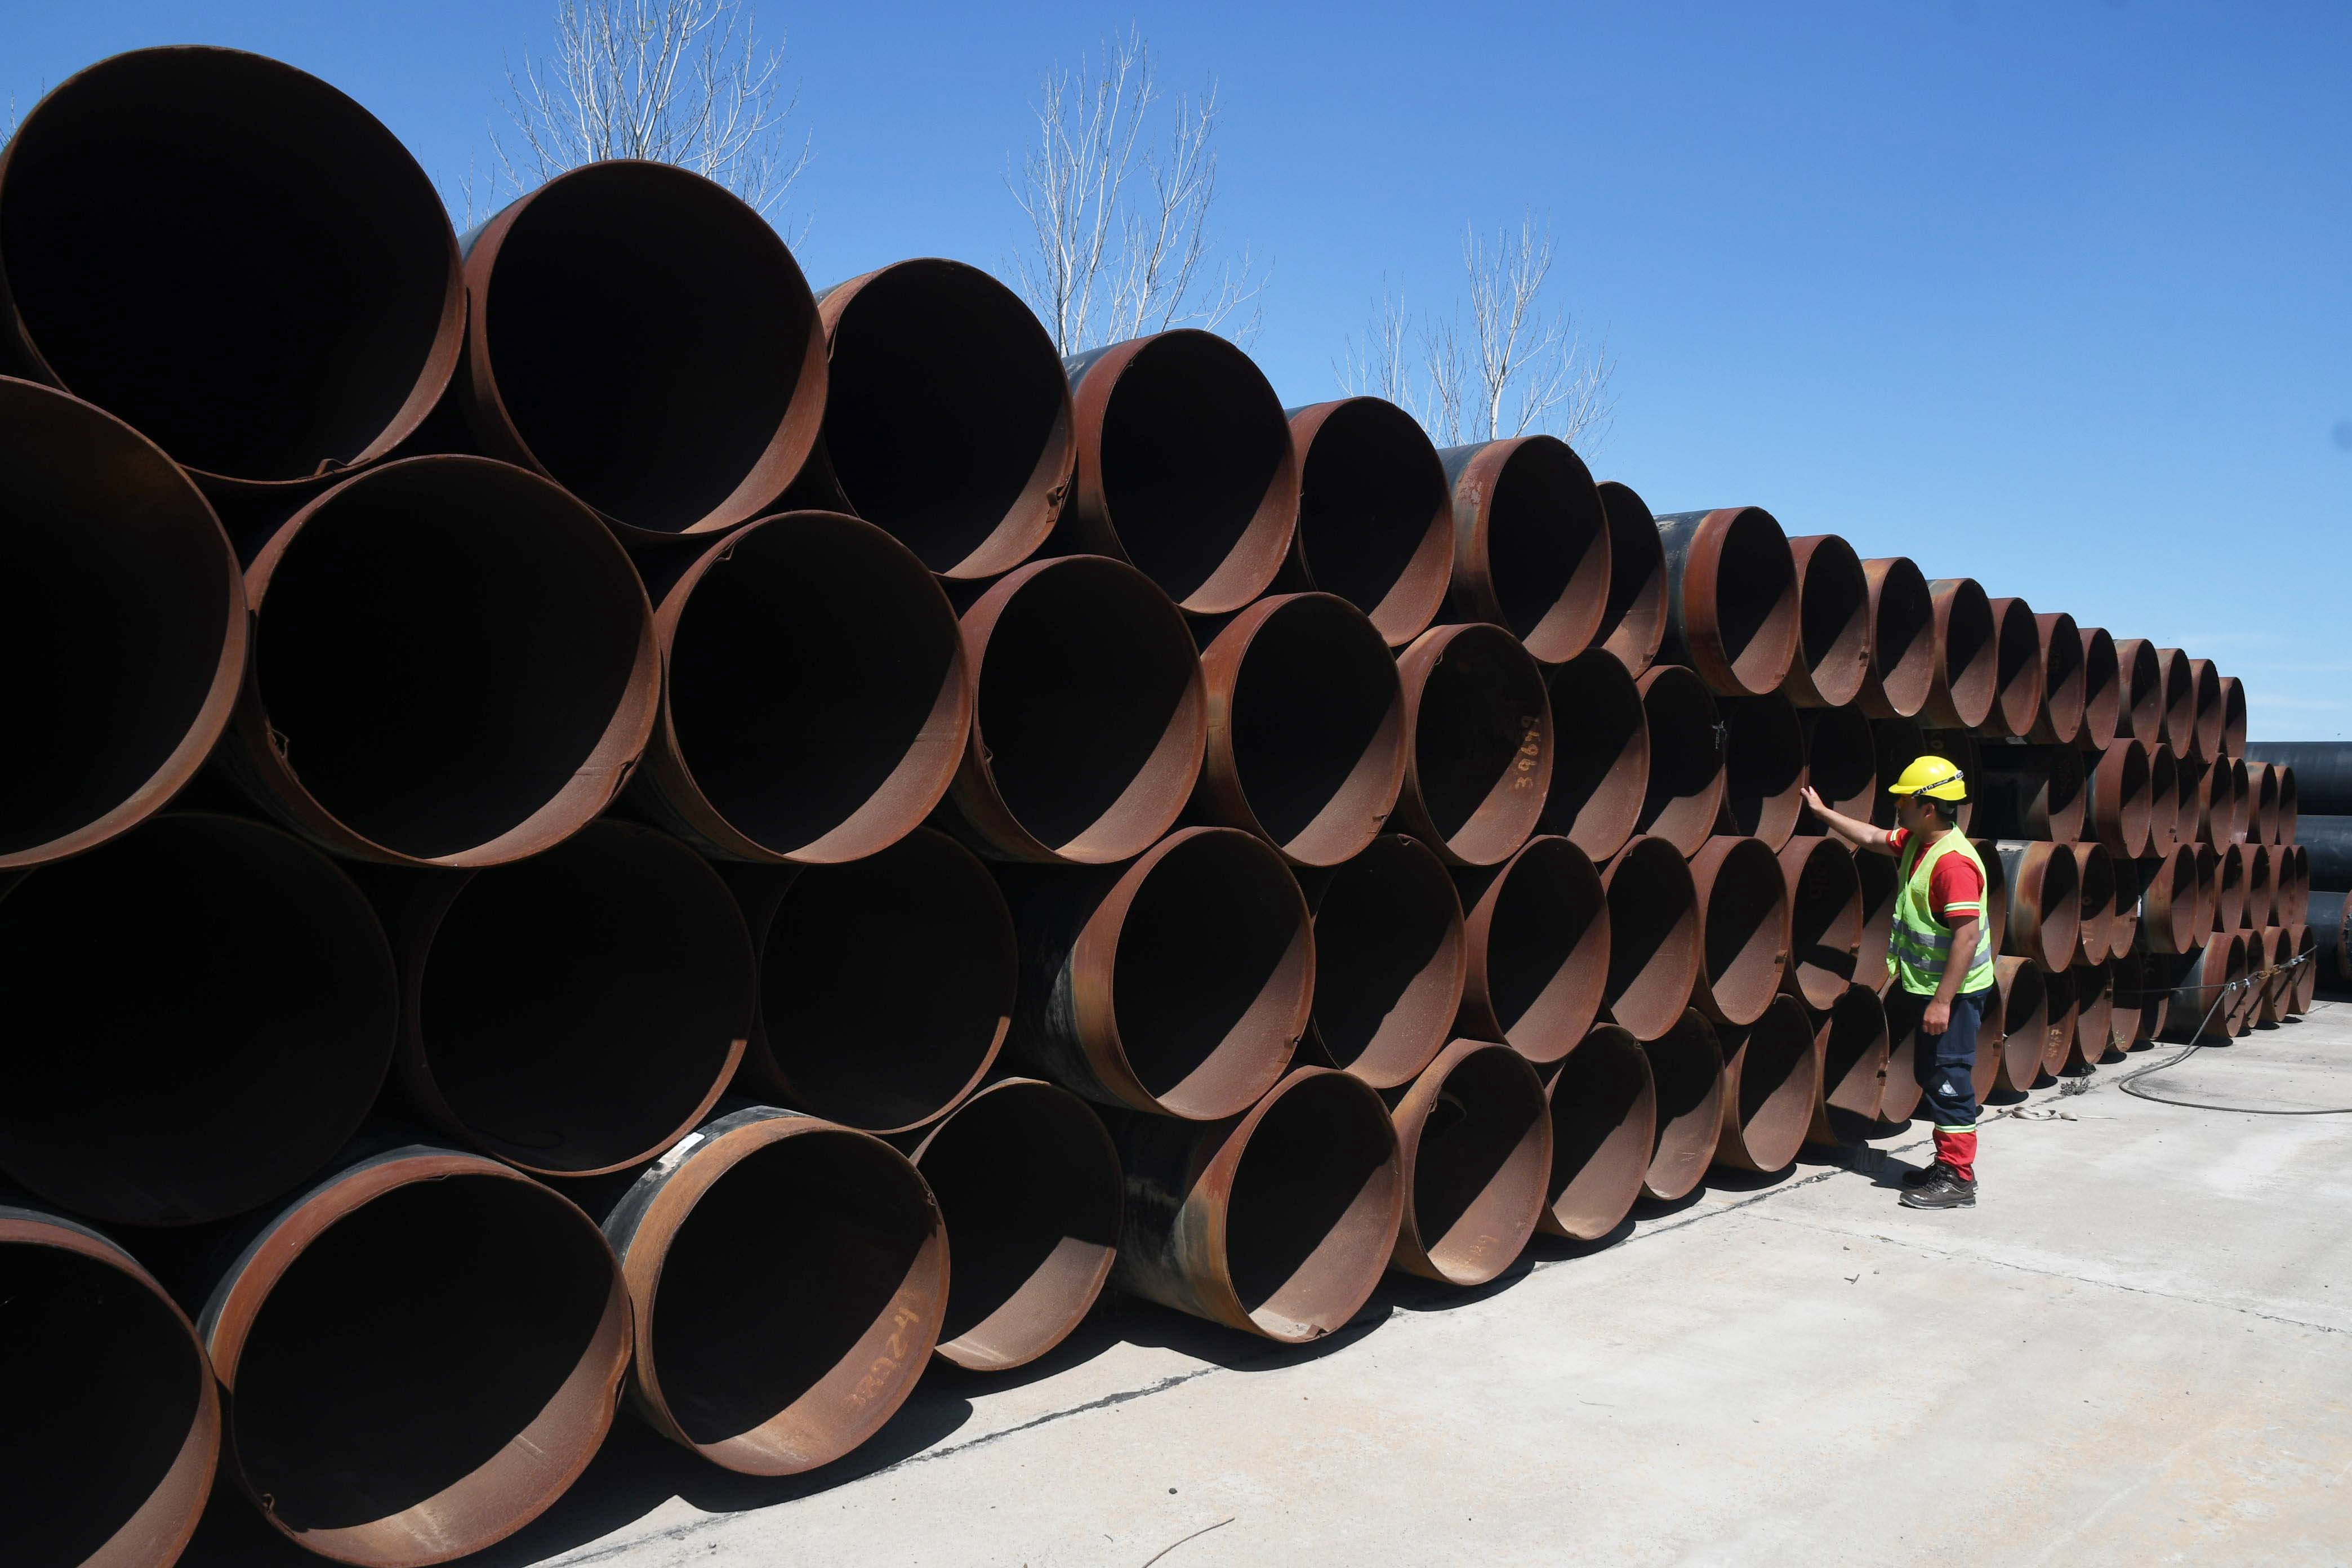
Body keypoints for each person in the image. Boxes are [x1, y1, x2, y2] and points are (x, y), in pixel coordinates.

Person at [1798, 755, 1996, 1210]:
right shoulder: (1918, 843)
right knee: (1933, 1073)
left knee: (1949, 1082)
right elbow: (1871, 837)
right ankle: (1948, 1166)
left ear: (1928, 806)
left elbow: (1966, 939)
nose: (1897, 805)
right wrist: (1824, 813)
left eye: (1903, 798)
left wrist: (1943, 1002)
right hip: (1932, 990)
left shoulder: (1952, 865)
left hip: (1956, 995)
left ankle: (1958, 1178)